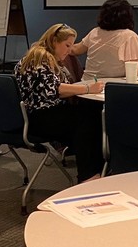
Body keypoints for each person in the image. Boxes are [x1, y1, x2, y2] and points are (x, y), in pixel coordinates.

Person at [15, 24, 105, 183]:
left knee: (87, 114)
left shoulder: (33, 55)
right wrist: (87, 88)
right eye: (67, 45)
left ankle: (92, 170)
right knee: (89, 121)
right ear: (54, 41)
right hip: (42, 118)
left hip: (33, 115)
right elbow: (55, 89)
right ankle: (89, 174)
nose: (70, 50)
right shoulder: (43, 58)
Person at [71, 0, 138, 79]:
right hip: (113, 84)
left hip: (87, 83)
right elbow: (135, 71)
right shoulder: (129, 36)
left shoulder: (95, 32)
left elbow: (75, 50)